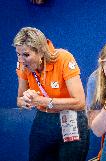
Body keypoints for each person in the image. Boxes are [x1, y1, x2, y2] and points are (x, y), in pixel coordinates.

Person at [14, 27, 89, 161]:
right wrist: (26, 100)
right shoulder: (23, 65)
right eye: (18, 54)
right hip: (44, 118)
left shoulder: (64, 58)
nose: (21, 60)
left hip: (71, 117)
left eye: (26, 55)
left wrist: (43, 101)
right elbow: (19, 99)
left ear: (41, 52)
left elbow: (80, 102)